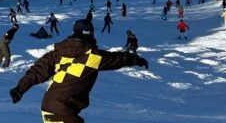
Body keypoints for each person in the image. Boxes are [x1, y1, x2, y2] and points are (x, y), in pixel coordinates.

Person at [9, 19, 148, 122]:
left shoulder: (57, 53)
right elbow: (116, 59)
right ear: (90, 34)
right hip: (62, 109)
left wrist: (20, 88)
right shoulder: (91, 56)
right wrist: (135, 59)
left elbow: (36, 71)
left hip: (49, 105)